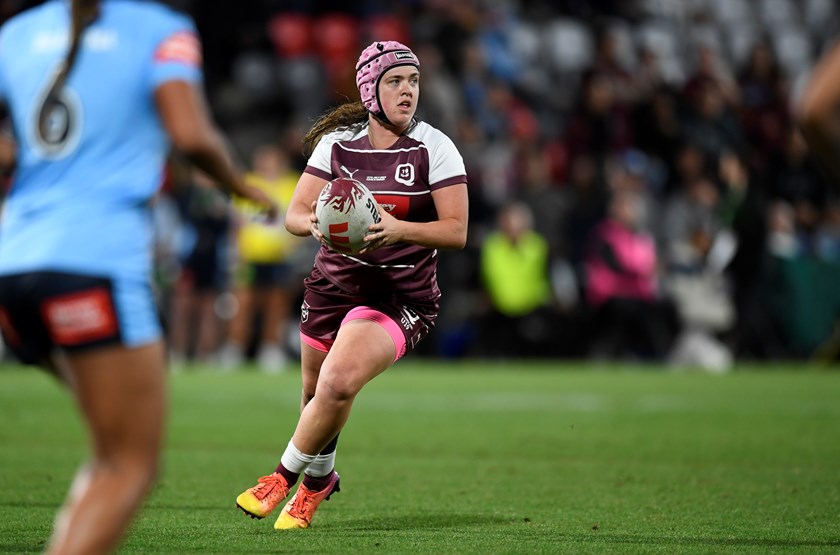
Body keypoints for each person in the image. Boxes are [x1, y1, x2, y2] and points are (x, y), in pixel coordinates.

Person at [0, 1, 275, 553]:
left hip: (13, 266)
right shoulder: (161, 31)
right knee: (129, 463)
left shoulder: (15, 34)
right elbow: (192, 136)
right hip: (92, 266)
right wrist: (241, 188)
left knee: (110, 448)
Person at [235, 40, 469, 530]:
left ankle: (281, 477)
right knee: (315, 396)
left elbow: (456, 231)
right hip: (331, 286)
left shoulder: (435, 147)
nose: (408, 91)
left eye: (414, 81)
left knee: (337, 382)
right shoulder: (338, 144)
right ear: (370, 90)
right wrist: (316, 226)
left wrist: (398, 228)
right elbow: (296, 214)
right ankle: (320, 482)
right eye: (395, 82)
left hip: (398, 297)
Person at [219, 143, 302, 373]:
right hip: (250, 256)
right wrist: (236, 253)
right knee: (243, 303)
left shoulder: (292, 185)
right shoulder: (249, 185)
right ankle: (235, 348)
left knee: (276, 303)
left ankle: (271, 349)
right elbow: (237, 223)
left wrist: (292, 244)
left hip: (279, 257)